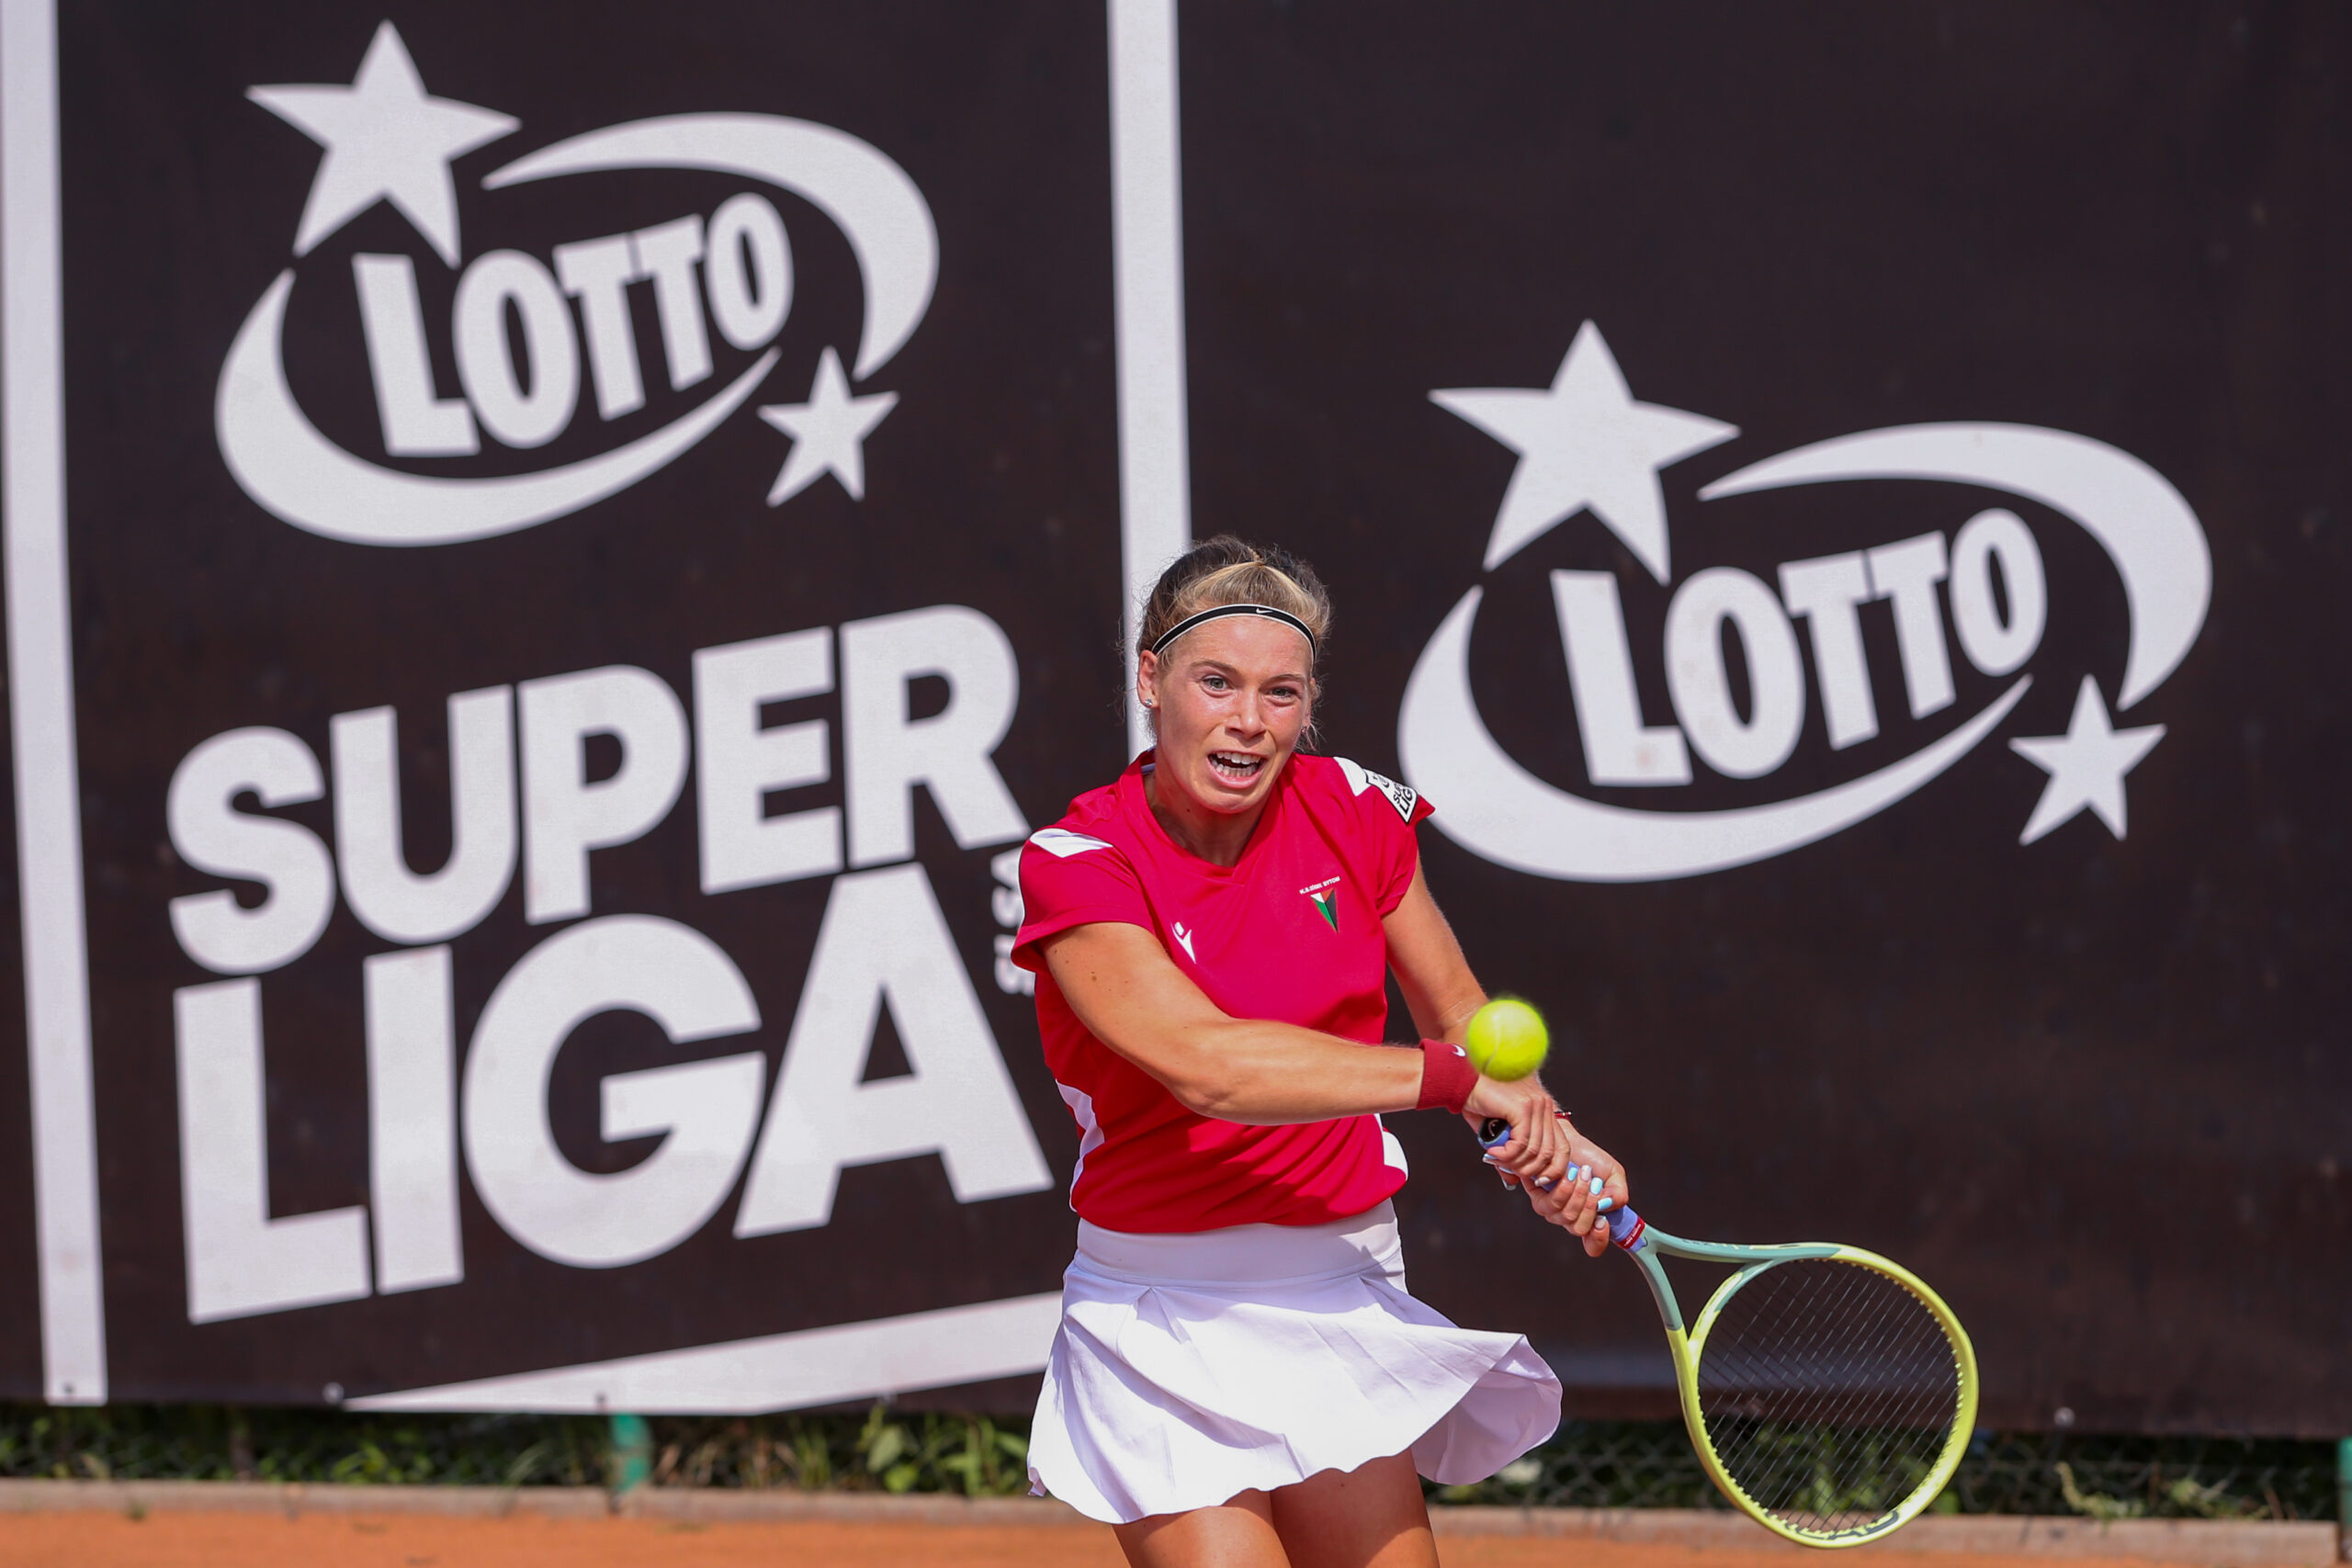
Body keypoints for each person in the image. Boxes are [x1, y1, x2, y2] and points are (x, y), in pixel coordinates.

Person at [1012, 536, 1631, 1567]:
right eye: (1216, 682)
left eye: (1281, 692)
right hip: (1161, 1315)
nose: (1248, 721)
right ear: (1151, 679)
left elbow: (1458, 1011)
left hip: (1343, 1285)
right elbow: (1209, 1066)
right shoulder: (1080, 861)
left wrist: (1538, 1128)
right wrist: (1454, 1082)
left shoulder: (1353, 806)